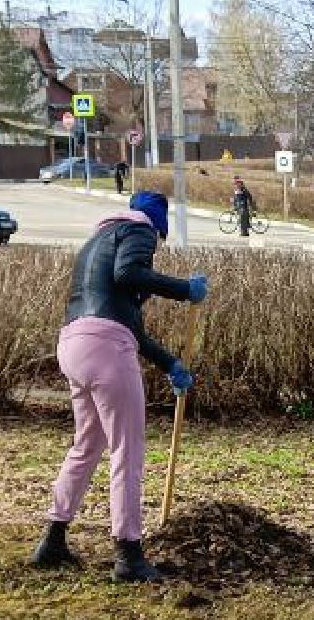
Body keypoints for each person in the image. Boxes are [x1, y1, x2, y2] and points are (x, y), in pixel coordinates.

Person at [33, 191, 210, 583]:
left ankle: (53, 539)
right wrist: (184, 290)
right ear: (156, 224)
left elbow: (128, 323)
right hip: (107, 349)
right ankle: (128, 554)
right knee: (127, 451)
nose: (155, 248)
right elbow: (128, 276)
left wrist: (171, 365)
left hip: (74, 346)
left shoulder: (97, 241)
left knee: (87, 444)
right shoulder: (138, 229)